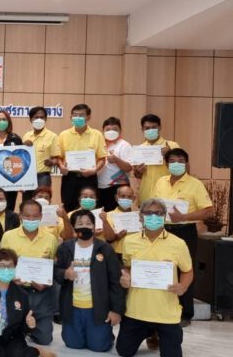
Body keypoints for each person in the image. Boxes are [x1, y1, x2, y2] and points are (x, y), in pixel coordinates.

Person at [116, 198, 193, 357]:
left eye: (158, 213)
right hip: (136, 311)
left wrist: (183, 286)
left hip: (166, 312)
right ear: (140, 216)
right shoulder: (129, 241)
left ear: (164, 216)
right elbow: (127, 267)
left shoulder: (178, 243)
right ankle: (150, 331)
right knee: (124, 351)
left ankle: (157, 331)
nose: (153, 217)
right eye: (148, 213)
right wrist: (126, 277)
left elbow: (188, 271)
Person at [153, 148, 213, 325]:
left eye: (181, 161)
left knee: (185, 269)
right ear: (166, 164)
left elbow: (209, 211)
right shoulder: (161, 182)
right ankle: (163, 310)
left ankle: (186, 313)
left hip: (185, 231)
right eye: (172, 161)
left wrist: (184, 217)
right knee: (163, 267)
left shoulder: (195, 184)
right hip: (163, 230)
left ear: (187, 164)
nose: (176, 164)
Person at [54, 209, 124, 352]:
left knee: (99, 347)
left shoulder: (105, 249)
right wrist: (65, 273)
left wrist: (116, 310)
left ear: (94, 226)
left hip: (98, 308)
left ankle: (104, 333)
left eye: (88, 223)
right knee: (73, 344)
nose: (85, 227)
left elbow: (116, 282)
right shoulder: (65, 248)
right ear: (74, 227)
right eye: (80, 224)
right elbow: (55, 271)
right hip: (72, 306)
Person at [0, 199, 58, 345]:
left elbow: (53, 266)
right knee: (6, 336)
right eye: (27, 216)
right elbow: (0, 263)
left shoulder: (50, 238)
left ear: (41, 217)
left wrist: (45, 283)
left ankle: (29, 330)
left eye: (35, 216)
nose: (31, 219)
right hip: (15, 290)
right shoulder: (9, 236)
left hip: (40, 293)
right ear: (20, 216)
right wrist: (10, 278)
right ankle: (20, 328)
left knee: (44, 339)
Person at [57, 104, 107, 212]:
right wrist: (61, 167)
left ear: (88, 117)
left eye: (81, 115)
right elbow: (59, 157)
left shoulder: (97, 134)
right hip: (69, 177)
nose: (78, 118)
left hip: (89, 177)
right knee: (68, 206)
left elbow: (102, 158)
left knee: (90, 208)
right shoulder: (63, 135)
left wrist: (94, 170)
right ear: (71, 117)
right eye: (75, 115)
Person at [133, 114, 180, 204]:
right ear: (142, 129)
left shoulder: (172, 145)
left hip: (167, 195)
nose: (151, 130)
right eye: (147, 128)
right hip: (146, 196)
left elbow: (185, 170)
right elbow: (136, 175)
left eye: (154, 127)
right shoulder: (139, 149)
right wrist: (138, 172)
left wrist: (169, 154)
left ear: (160, 127)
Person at [0, 110, 23, 210]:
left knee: (9, 207)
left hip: (11, 179)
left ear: (8, 121)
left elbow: (21, 160)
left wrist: (21, 182)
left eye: (4, 119)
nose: (1, 122)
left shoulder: (15, 138)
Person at [22, 106, 60, 201]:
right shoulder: (26, 136)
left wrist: (52, 162)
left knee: (42, 203)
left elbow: (56, 158)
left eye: (42, 117)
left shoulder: (53, 136)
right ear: (31, 119)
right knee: (27, 203)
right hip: (27, 177)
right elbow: (21, 158)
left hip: (43, 176)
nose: (39, 120)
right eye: (36, 117)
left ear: (46, 119)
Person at [98, 117, 133, 211]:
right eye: (108, 129)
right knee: (103, 216)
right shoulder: (99, 144)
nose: (111, 132)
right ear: (103, 131)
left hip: (118, 186)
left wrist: (116, 160)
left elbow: (129, 168)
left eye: (115, 129)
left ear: (120, 131)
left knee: (119, 216)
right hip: (100, 186)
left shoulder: (124, 145)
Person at [104, 185, 138, 256]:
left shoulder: (138, 216)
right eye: (123, 196)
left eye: (129, 197)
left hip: (135, 253)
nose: (126, 199)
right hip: (115, 253)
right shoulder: (107, 216)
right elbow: (108, 239)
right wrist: (116, 237)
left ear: (134, 198)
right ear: (117, 197)